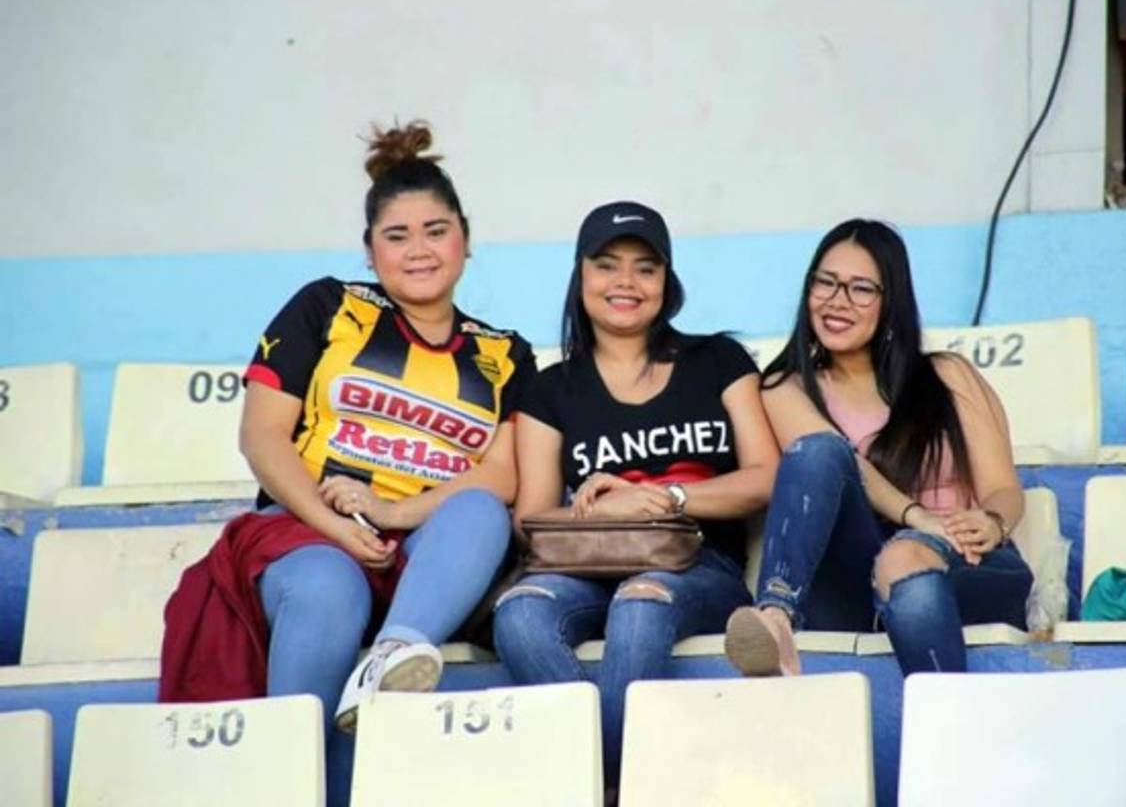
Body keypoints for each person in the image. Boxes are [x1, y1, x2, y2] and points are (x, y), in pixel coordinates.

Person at [160, 121, 533, 805]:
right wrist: (339, 526)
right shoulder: (328, 308)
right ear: (370, 251)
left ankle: (392, 658)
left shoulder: (506, 352)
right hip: (307, 529)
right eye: (397, 235)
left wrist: (391, 513)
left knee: (482, 510)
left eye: (435, 229)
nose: (419, 250)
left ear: (466, 239)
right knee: (333, 588)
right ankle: (293, 787)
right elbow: (263, 437)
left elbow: (502, 475)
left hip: (424, 545)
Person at [492, 201, 779, 793]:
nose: (626, 282)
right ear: (581, 276)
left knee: (641, 603)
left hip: (697, 564)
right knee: (519, 614)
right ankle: (600, 781)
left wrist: (665, 497)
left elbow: (765, 477)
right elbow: (532, 518)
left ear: (666, 284)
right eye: (607, 265)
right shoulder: (551, 390)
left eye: (646, 268)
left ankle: (619, 788)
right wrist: (604, 507)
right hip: (589, 566)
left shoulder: (717, 361)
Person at [723, 218, 1032, 677]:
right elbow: (840, 459)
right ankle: (776, 616)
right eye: (825, 283)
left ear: (892, 303)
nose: (837, 301)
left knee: (905, 558)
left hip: (965, 563)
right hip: (857, 579)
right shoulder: (783, 388)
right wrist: (914, 516)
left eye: (861, 289)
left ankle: (946, 731)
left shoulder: (949, 377)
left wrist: (991, 520)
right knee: (817, 454)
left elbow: (1004, 488)